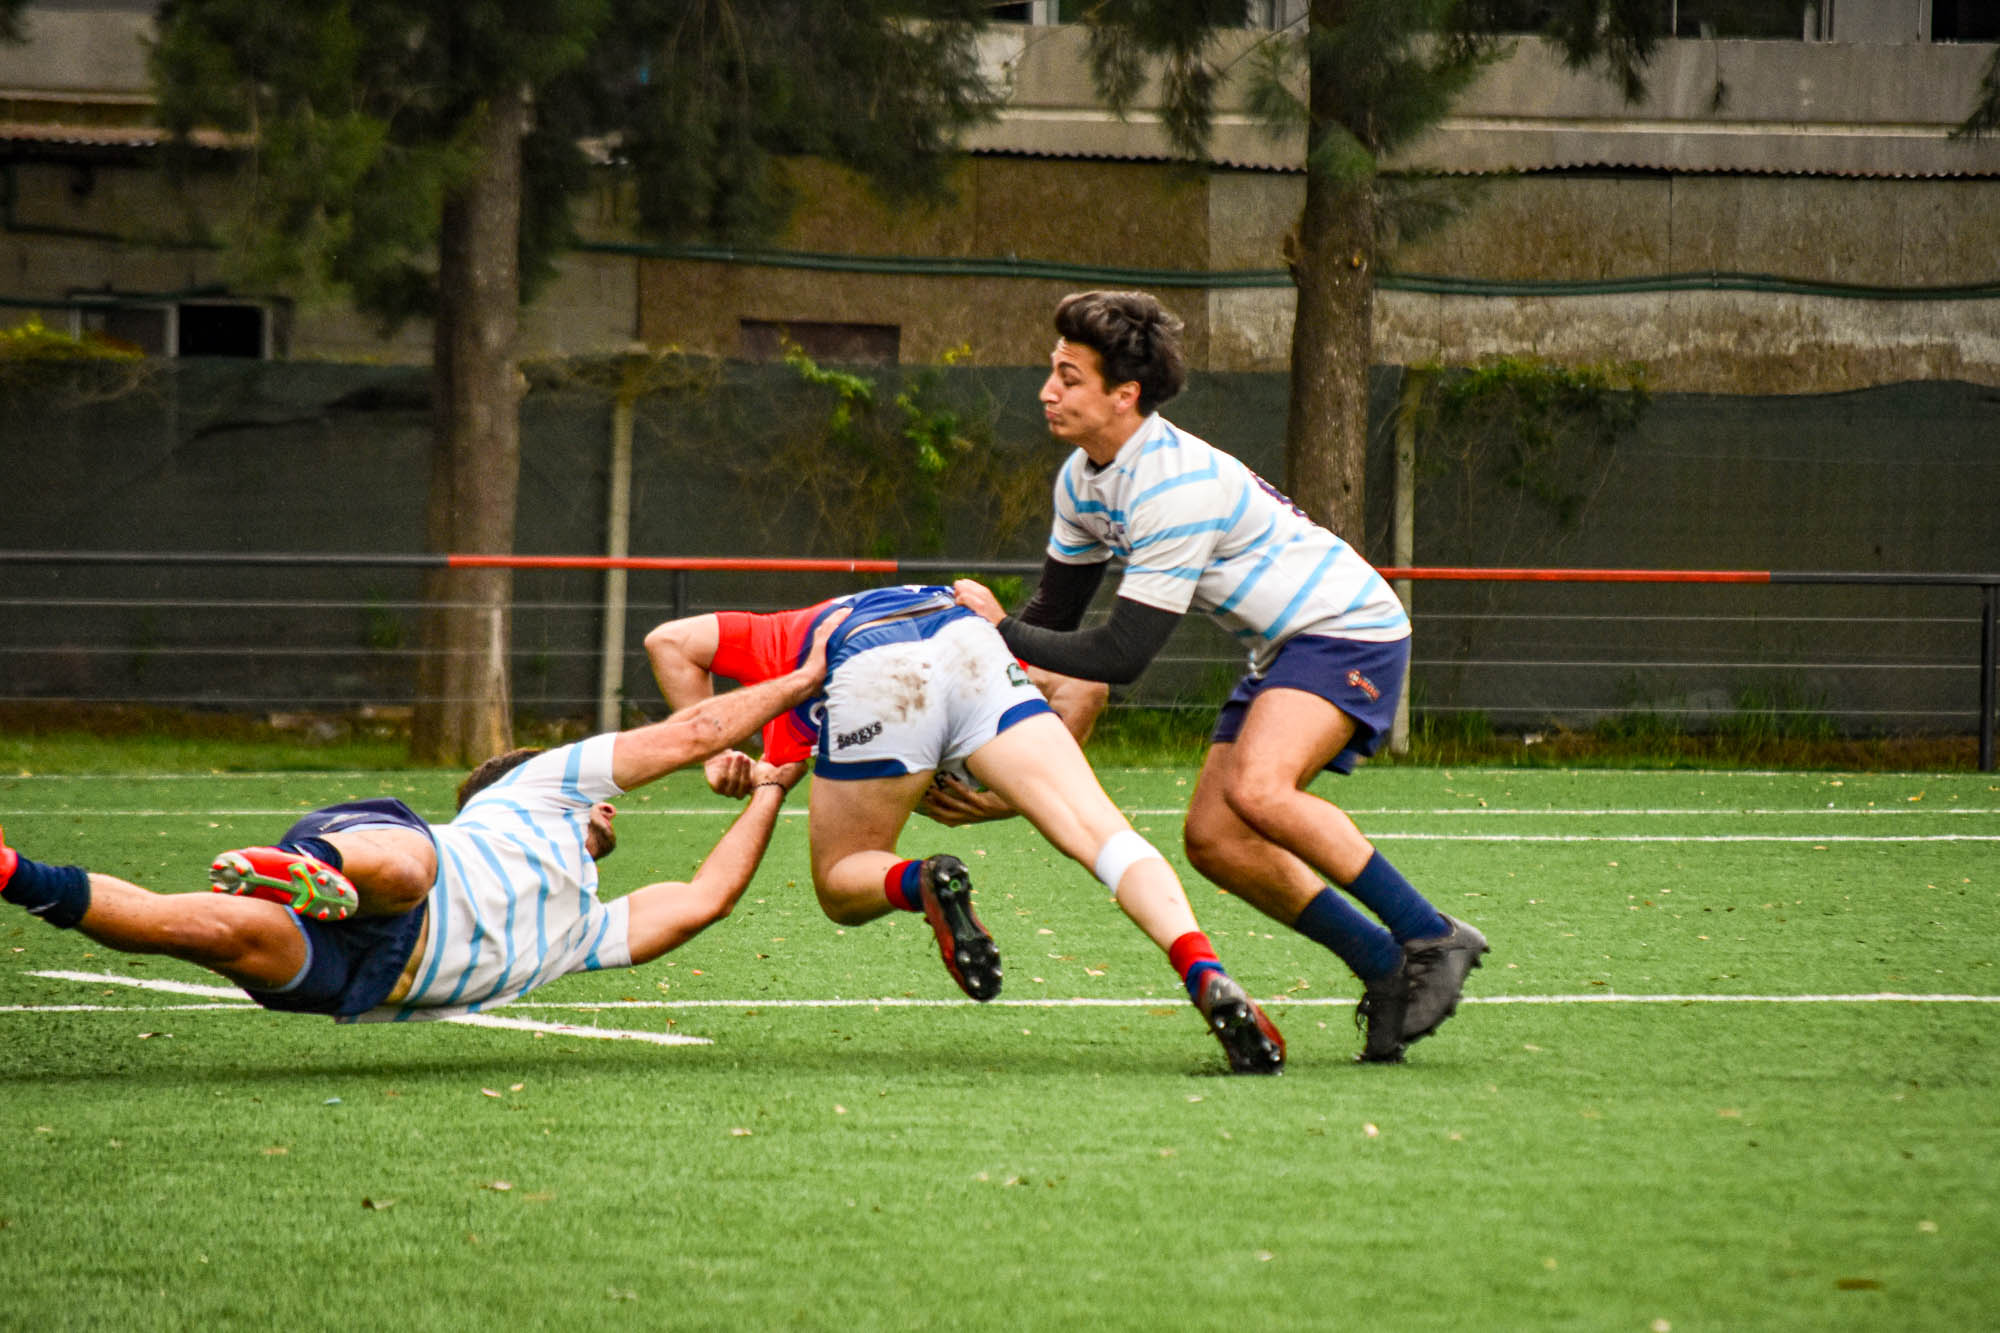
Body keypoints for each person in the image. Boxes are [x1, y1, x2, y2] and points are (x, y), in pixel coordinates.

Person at [951, 290, 1488, 1064]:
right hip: (1285, 648)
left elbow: (1123, 653)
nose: (1048, 391)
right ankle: (1384, 964)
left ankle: (1430, 934)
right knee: (1213, 839)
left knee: (1260, 791)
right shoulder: (1082, 480)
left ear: (1124, 394)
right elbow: (1058, 619)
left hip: (1347, 628)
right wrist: (977, 688)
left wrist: (998, 631)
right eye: (1052, 372)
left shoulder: (1173, 487)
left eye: (1069, 377)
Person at [0, 621, 839, 1022]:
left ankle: (12, 873)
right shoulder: (532, 790)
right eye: (603, 802)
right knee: (406, 870)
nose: (609, 806)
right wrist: (802, 681)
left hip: (361, 975)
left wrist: (772, 788)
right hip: (394, 865)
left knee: (203, 929)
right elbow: (693, 732)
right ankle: (318, 865)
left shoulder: (582, 931)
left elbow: (705, 897)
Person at [644, 584, 1286, 1075]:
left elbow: (668, 641)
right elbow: (1085, 692)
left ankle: (920, 880)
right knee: (1105, 836)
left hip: (870, 661)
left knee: (844, 880)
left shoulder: (781, 653)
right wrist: (1011, 800)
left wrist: (712, 753)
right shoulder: (805, 680)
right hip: (967, 638)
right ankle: (1202, 967)